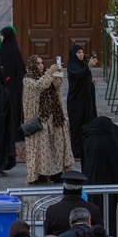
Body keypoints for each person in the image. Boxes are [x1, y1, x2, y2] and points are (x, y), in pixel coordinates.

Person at [24, 54, 73, 185]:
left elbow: (56, 86)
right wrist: (50, 73)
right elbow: (40, 86)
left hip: (54, 116)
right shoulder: (28, 79)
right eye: (38, 64)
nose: (41, 66)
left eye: (42, 63)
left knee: (56, 144)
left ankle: (56, 173)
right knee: (42, 147)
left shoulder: (47, 74)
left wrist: (58, 74)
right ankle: (41, 174)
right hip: (41, 118)